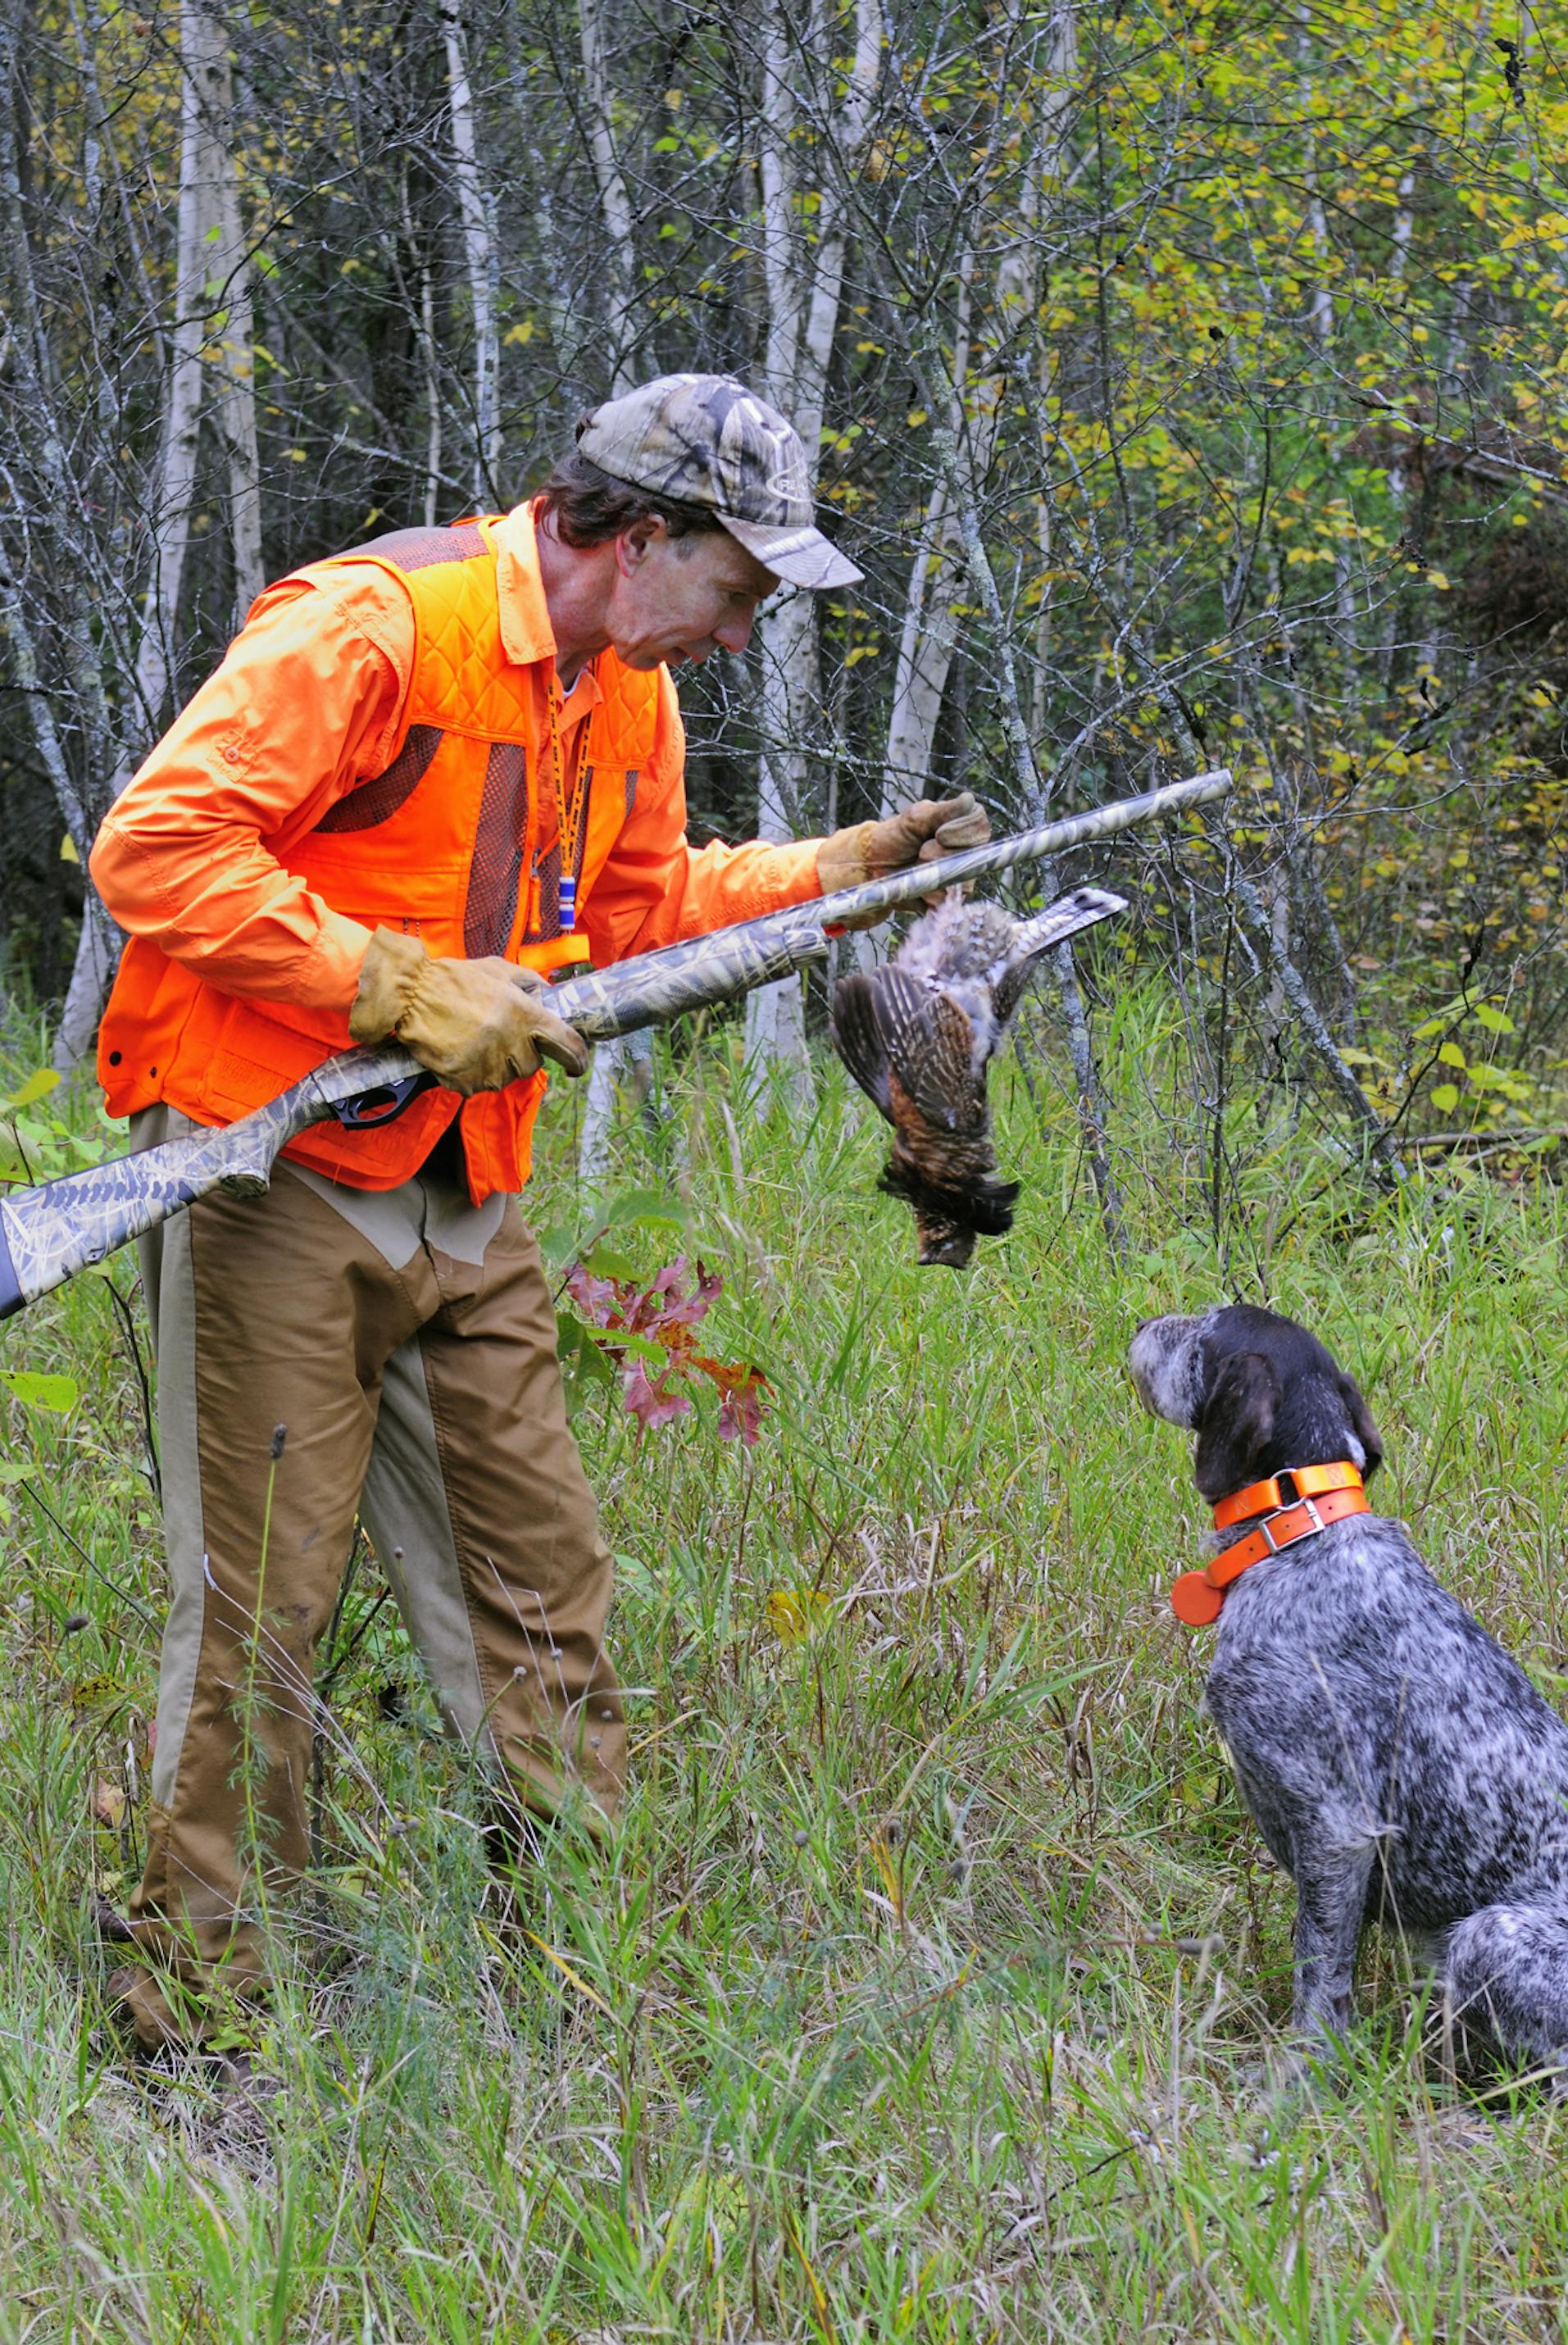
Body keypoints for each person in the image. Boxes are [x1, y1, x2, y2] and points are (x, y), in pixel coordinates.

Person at [86, 371, 988, 2049]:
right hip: (270, 1176)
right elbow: (156, 848)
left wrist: (830, 871)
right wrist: (395, 986)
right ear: (637, 538)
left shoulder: (621, 697)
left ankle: (568, 1984)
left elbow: (638, 916)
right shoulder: (374, 627)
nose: (734, 635)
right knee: (260, 1619)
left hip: (467, 1192)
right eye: (732, 587)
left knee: (545, 1594)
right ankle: (197, 2020)